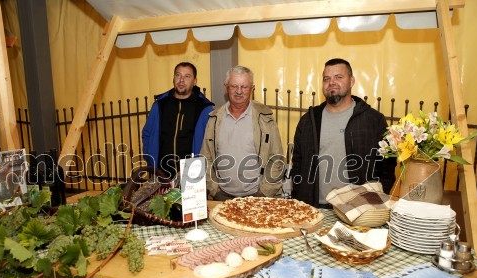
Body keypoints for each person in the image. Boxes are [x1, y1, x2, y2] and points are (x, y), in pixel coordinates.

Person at [291, 58, 396, 207]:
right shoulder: (309, 121)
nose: (331, 82)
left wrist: (376, 202)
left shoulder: (373, 120)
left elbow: (387, 166)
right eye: (326, 78)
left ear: (352, 81)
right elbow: (297, 164)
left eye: (338, 77)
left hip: (359, 210)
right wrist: (299, 197)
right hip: (314, 207)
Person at [200, 65, 284, 201]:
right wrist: (215, 189)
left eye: (244, 87)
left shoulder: (265, 119)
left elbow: (276, 158)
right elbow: (206, 157)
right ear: (225, 87)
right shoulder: (214, 119)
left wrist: (263, 193)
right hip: (222, 196)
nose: (239, 91)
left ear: (252, 89)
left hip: (257, 196)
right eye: (234, 86)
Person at [142, 62, 214, 178]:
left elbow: (210, 142)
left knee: (190, 197)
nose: (181, 80)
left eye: (187, 76)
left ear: (195, 81)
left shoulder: (204, 108)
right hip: (160, 172)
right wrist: (151, 159)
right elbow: (147, 133)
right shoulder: (160, 105)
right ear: (173, 78)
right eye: (178, 75)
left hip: (192, 172)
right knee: (160, 197)